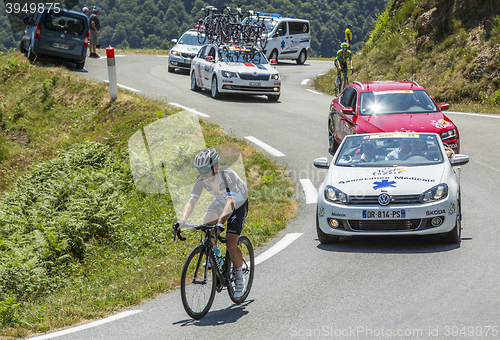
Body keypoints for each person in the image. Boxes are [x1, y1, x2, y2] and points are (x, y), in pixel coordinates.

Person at [173, 148, 249, 297]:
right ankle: (215, 255)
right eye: (199, 170)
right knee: (206, 225)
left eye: (206, 170)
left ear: (215, 167)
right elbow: (191, 201)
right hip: (221, 201)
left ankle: (239, 277)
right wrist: (182, 220)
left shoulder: (227, 176)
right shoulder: (201, 180)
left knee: (230, 243)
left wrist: (221, 221)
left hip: (238, 204)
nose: (202, 174)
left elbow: (231, 202)